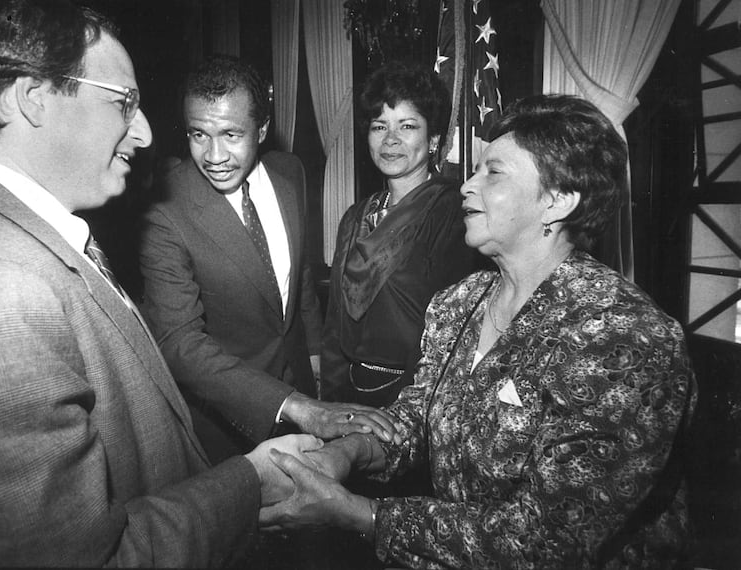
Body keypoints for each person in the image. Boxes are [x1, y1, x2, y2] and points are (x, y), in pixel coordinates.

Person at [0, 1, 347, 565]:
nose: (148, 132)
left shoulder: (17, 237)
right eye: (124, 102)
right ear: (32, 99)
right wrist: (249, 482)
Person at [260, 95, 698, 568]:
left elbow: (547, 542)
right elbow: (414, 420)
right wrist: (344, 455)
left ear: (558, 200)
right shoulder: (459, 302)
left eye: (494, 173)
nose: (466, 185)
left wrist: (361, 515)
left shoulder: (625, 339)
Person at [137, 55, 395, 465]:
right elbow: (178, 343)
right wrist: (295, 405)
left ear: (262, 129)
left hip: (305, 392)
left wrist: (316, 370)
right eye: (198, 134)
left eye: (231, 134)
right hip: (225, 424)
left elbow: (301, 282)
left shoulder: (290, 173)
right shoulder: (165, 209)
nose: (213, 155)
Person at [321, 62, 478, 409]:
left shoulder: (453, 211)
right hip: (350, 396)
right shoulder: (355, 217)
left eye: (407, 126)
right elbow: (335, 327)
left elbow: (454, 332)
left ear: (434, 139)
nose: (390, 140)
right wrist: (331, 409)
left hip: (416, 401)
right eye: (380, 126)